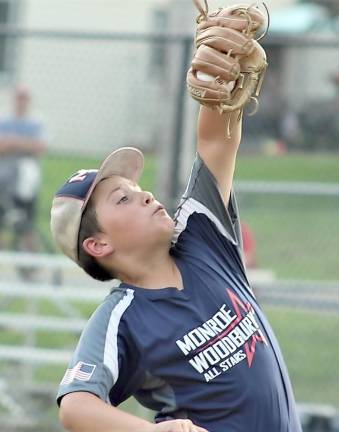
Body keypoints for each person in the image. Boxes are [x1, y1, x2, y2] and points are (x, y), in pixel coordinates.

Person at [51, 99, 302, 430]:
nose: (146, 196)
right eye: (123, 199)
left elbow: (216, 141)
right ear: (98, 245)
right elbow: (76, 406)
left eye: (138, 189)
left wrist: (222, 83)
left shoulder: (202, 239)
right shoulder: (123, 319)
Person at [0, 85, 47, 252]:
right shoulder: (4, 120)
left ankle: (29, 263)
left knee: (28, 223)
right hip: (4, 178)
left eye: (24, 98)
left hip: (26, 180)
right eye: (18, 98)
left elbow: (39, 147)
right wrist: (24, 143)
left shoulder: (35, 122)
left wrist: (13, 142)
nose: (21, 102)